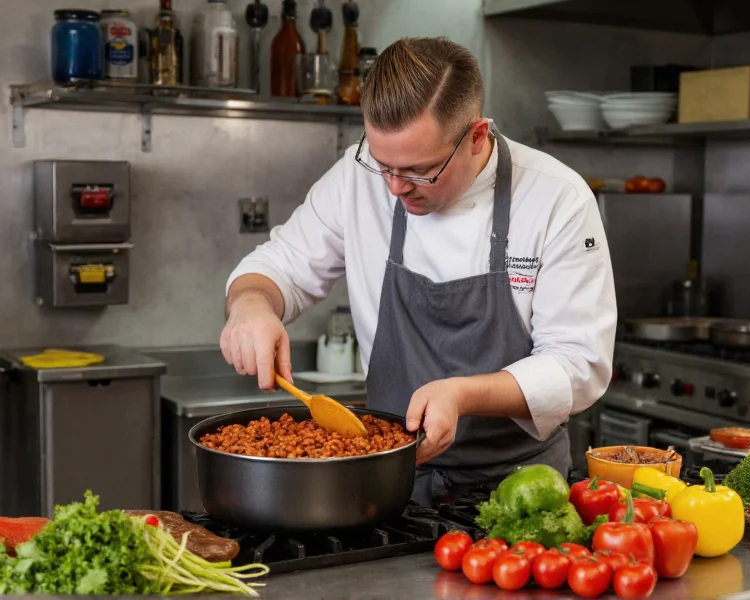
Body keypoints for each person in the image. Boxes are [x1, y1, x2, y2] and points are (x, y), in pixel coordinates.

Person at [220, 36, 617, 507]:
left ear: (476, 135)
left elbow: (578, 363)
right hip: (387, 483)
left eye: (419, 171)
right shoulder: (356, 177)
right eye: (380, 162)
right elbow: (276, 266)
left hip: (522, 492)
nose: (393, 187)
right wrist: (250, 306)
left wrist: (462, 394)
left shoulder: (557, 199)